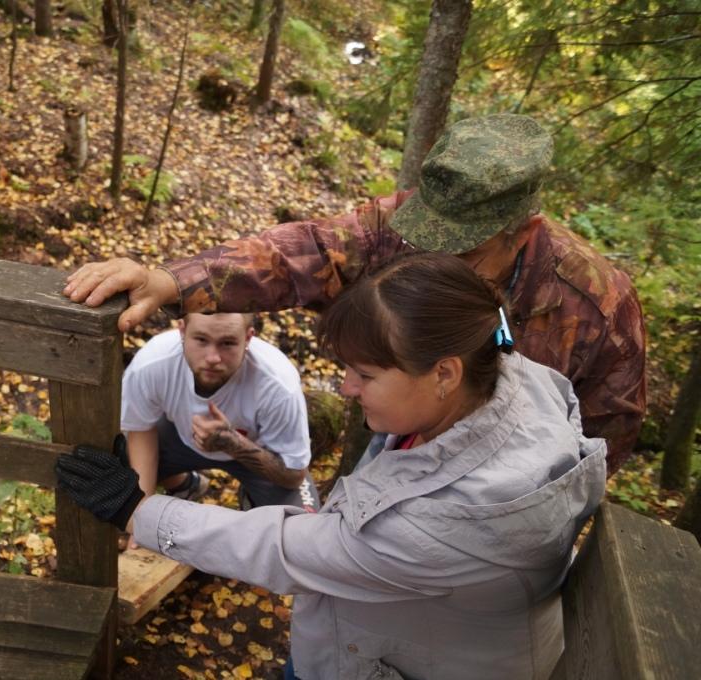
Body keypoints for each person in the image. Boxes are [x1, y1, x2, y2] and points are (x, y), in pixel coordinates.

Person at [57, 252, 607, 680]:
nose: (345, 388)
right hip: (387, 642)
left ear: (444, 373)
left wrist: (137, 510)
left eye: (365, 375)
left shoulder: (451, 524)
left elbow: (286, 547)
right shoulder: (509, 369)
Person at [63, 114, 646, 473]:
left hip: (500, 487)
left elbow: (605, 434)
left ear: (523, 231)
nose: (439, 259)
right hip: (398, 447)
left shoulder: (593, 304)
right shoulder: (405, 224)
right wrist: (170, 281)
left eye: (464, 250)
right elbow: (301, 252)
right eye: (430, 239)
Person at [122, 312, 317, 519]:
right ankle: (185, 485)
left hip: (261, 457)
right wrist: (141, 517)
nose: (213, 358)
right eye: (201, 340)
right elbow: (140, 429)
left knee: (302, 529)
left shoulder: (278, 384)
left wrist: (234, 444)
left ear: (248, 338)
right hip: (180, 440)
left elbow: (295, 476)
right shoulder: (153, 362)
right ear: (182, 331)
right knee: (118, 465)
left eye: (228, 343)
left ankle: (254, 505)